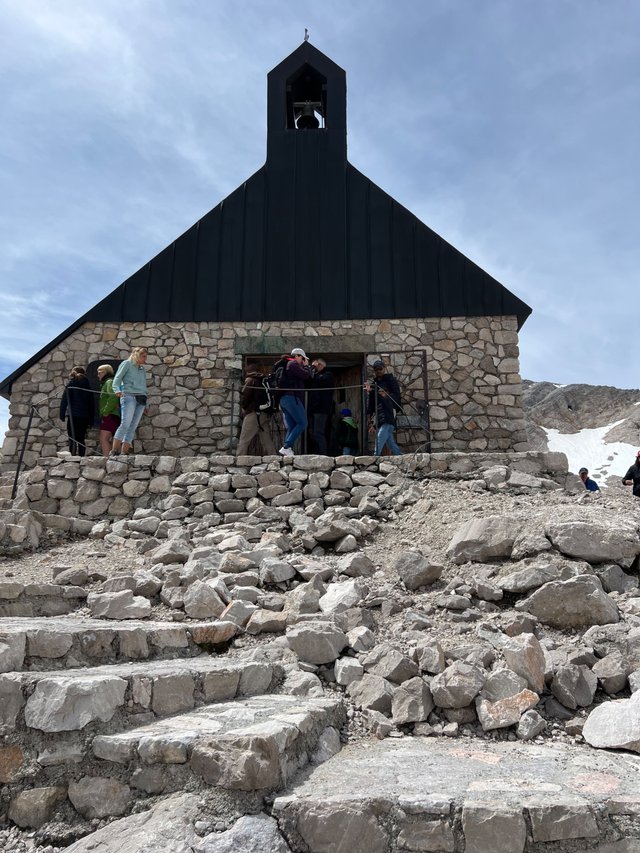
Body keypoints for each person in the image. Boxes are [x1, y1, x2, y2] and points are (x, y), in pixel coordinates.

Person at [111, 346, 149, 456]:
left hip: (141, 398)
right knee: (125, 424)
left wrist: (146, 404)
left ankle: (124, 452)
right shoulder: (126, 364)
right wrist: (117, 390)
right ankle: (114, 451)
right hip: (128, 396)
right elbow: (117, 379)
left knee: (133, 427)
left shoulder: (142, 369)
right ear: (137, 355)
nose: (145, 359)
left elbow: (143, 386)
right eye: (143, 356)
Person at [278, 348, 311, 457]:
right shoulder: (292, 364)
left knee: (292, 426)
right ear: (298, 356)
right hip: (291, 398)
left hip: (284, 399)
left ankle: (287, 450)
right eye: (303, 358)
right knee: (303, 423)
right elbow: (306, 376)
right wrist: (306, 366)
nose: (303, 361)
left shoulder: (288, 364)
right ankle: (286, 447)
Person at [236, 367, 277, 456]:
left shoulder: (250, 380)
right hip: (264, 413)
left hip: (253, 414)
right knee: (266, 440)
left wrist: (245, 408)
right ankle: (273, 458)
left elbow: (245, 397)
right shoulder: (262, 381)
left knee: (244, 439)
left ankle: (239, 460)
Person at [366, 359, 402, 456]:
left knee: (381, 435)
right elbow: (372, 402)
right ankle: (399, 456)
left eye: (380, 369)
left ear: (384, 369)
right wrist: (370, 417)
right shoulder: (375, 384)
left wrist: (386, 397)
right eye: (376, 369)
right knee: (390, 441)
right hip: (381, 411)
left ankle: (375, 456)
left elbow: (396, 395)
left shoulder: (390, 380)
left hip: (389, 409)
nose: (378, 371)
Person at [59, 366, 94, 456]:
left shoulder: (71, 384)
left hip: (73, 415)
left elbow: (65, 400)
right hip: (85, 416)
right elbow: (92, 404)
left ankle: (73, 456)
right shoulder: (88, 386)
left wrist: (62, 414)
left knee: (72, 438)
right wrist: (91, 420)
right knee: (81, 438)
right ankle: (81, 457)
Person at [307, 358, 334, 455]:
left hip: (321, 409)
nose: (313, 369)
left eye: (314, 366)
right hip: (312, 409)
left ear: (320, 365)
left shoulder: (328, 374)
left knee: (319, 432)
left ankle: (323, 454)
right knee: (312, 433)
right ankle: (316, 453)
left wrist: (312, 372)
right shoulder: (315, 376)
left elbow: (321, 381)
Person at [97, 364, 121, 457]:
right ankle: (114, 459)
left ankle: (107, 459)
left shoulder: (109, 382)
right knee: (115, 438)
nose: (98, 375)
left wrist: (106, 411)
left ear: (105, 372)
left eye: (99, 373)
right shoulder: (109, 382)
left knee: (104, 438)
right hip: (113, 414)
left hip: (110, 414)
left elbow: (113, 396)